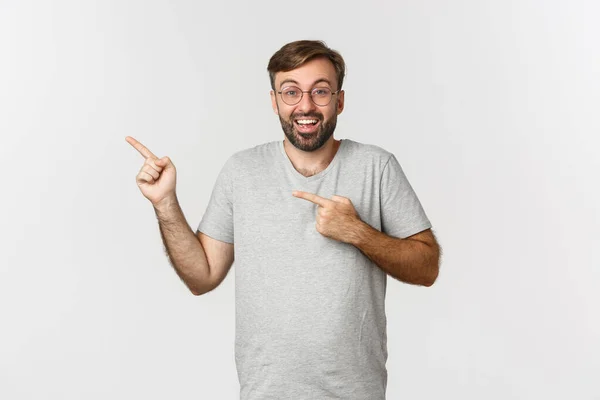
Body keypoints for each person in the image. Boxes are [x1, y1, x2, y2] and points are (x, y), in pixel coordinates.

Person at [126, 40, 440, 400]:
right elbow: (202, 276)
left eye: (320, 91)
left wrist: (357, 232)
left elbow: (427, 266)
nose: (305, 105)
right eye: (291, 92)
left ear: (339, 100)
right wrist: (165, 202)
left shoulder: (376, 167)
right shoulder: (241, 171)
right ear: (274, 101)